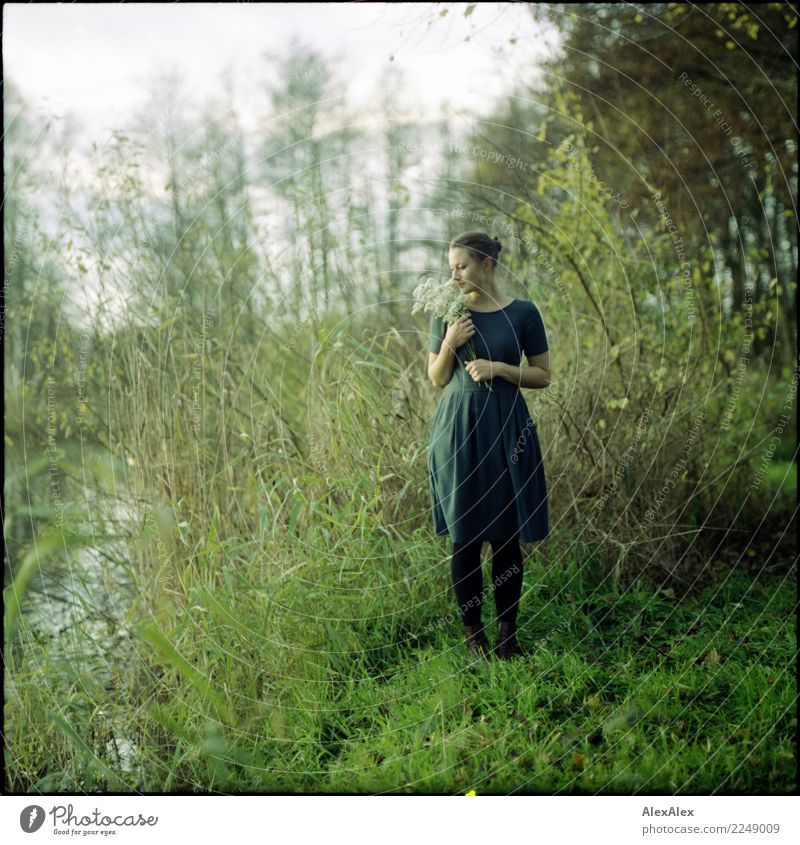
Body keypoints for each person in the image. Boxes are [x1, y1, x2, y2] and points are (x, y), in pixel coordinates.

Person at [426, 231, 551, 661]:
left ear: (487, 265)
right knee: (464, 538)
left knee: (506, 538)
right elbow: (437, 378)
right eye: (450, 267)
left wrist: (499, 368)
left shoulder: (523, 313)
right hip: (459, 430)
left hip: (507, 428)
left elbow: (542, 375)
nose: (454, 275)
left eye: (461, 266)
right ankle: (473, 635)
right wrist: (449, 343)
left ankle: (507, 634)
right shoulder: (448, 311)